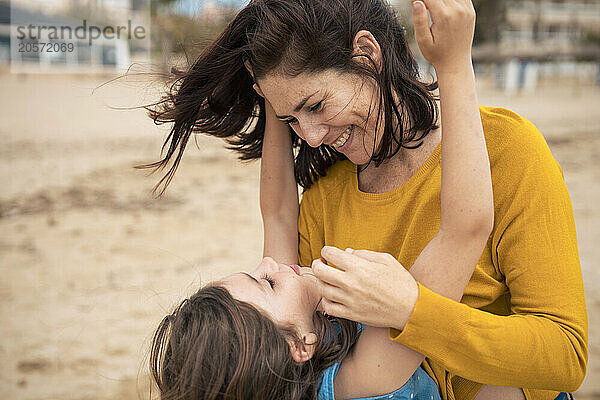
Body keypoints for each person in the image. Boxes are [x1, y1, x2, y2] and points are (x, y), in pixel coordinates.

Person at [143, 0, 587, 399]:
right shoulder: (323, 201)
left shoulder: (507, 151)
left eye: (315, 105)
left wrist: (414, 312)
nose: (311, 137)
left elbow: (566, 358)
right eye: (291, 120)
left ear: (368, 55)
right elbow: (461, 231)